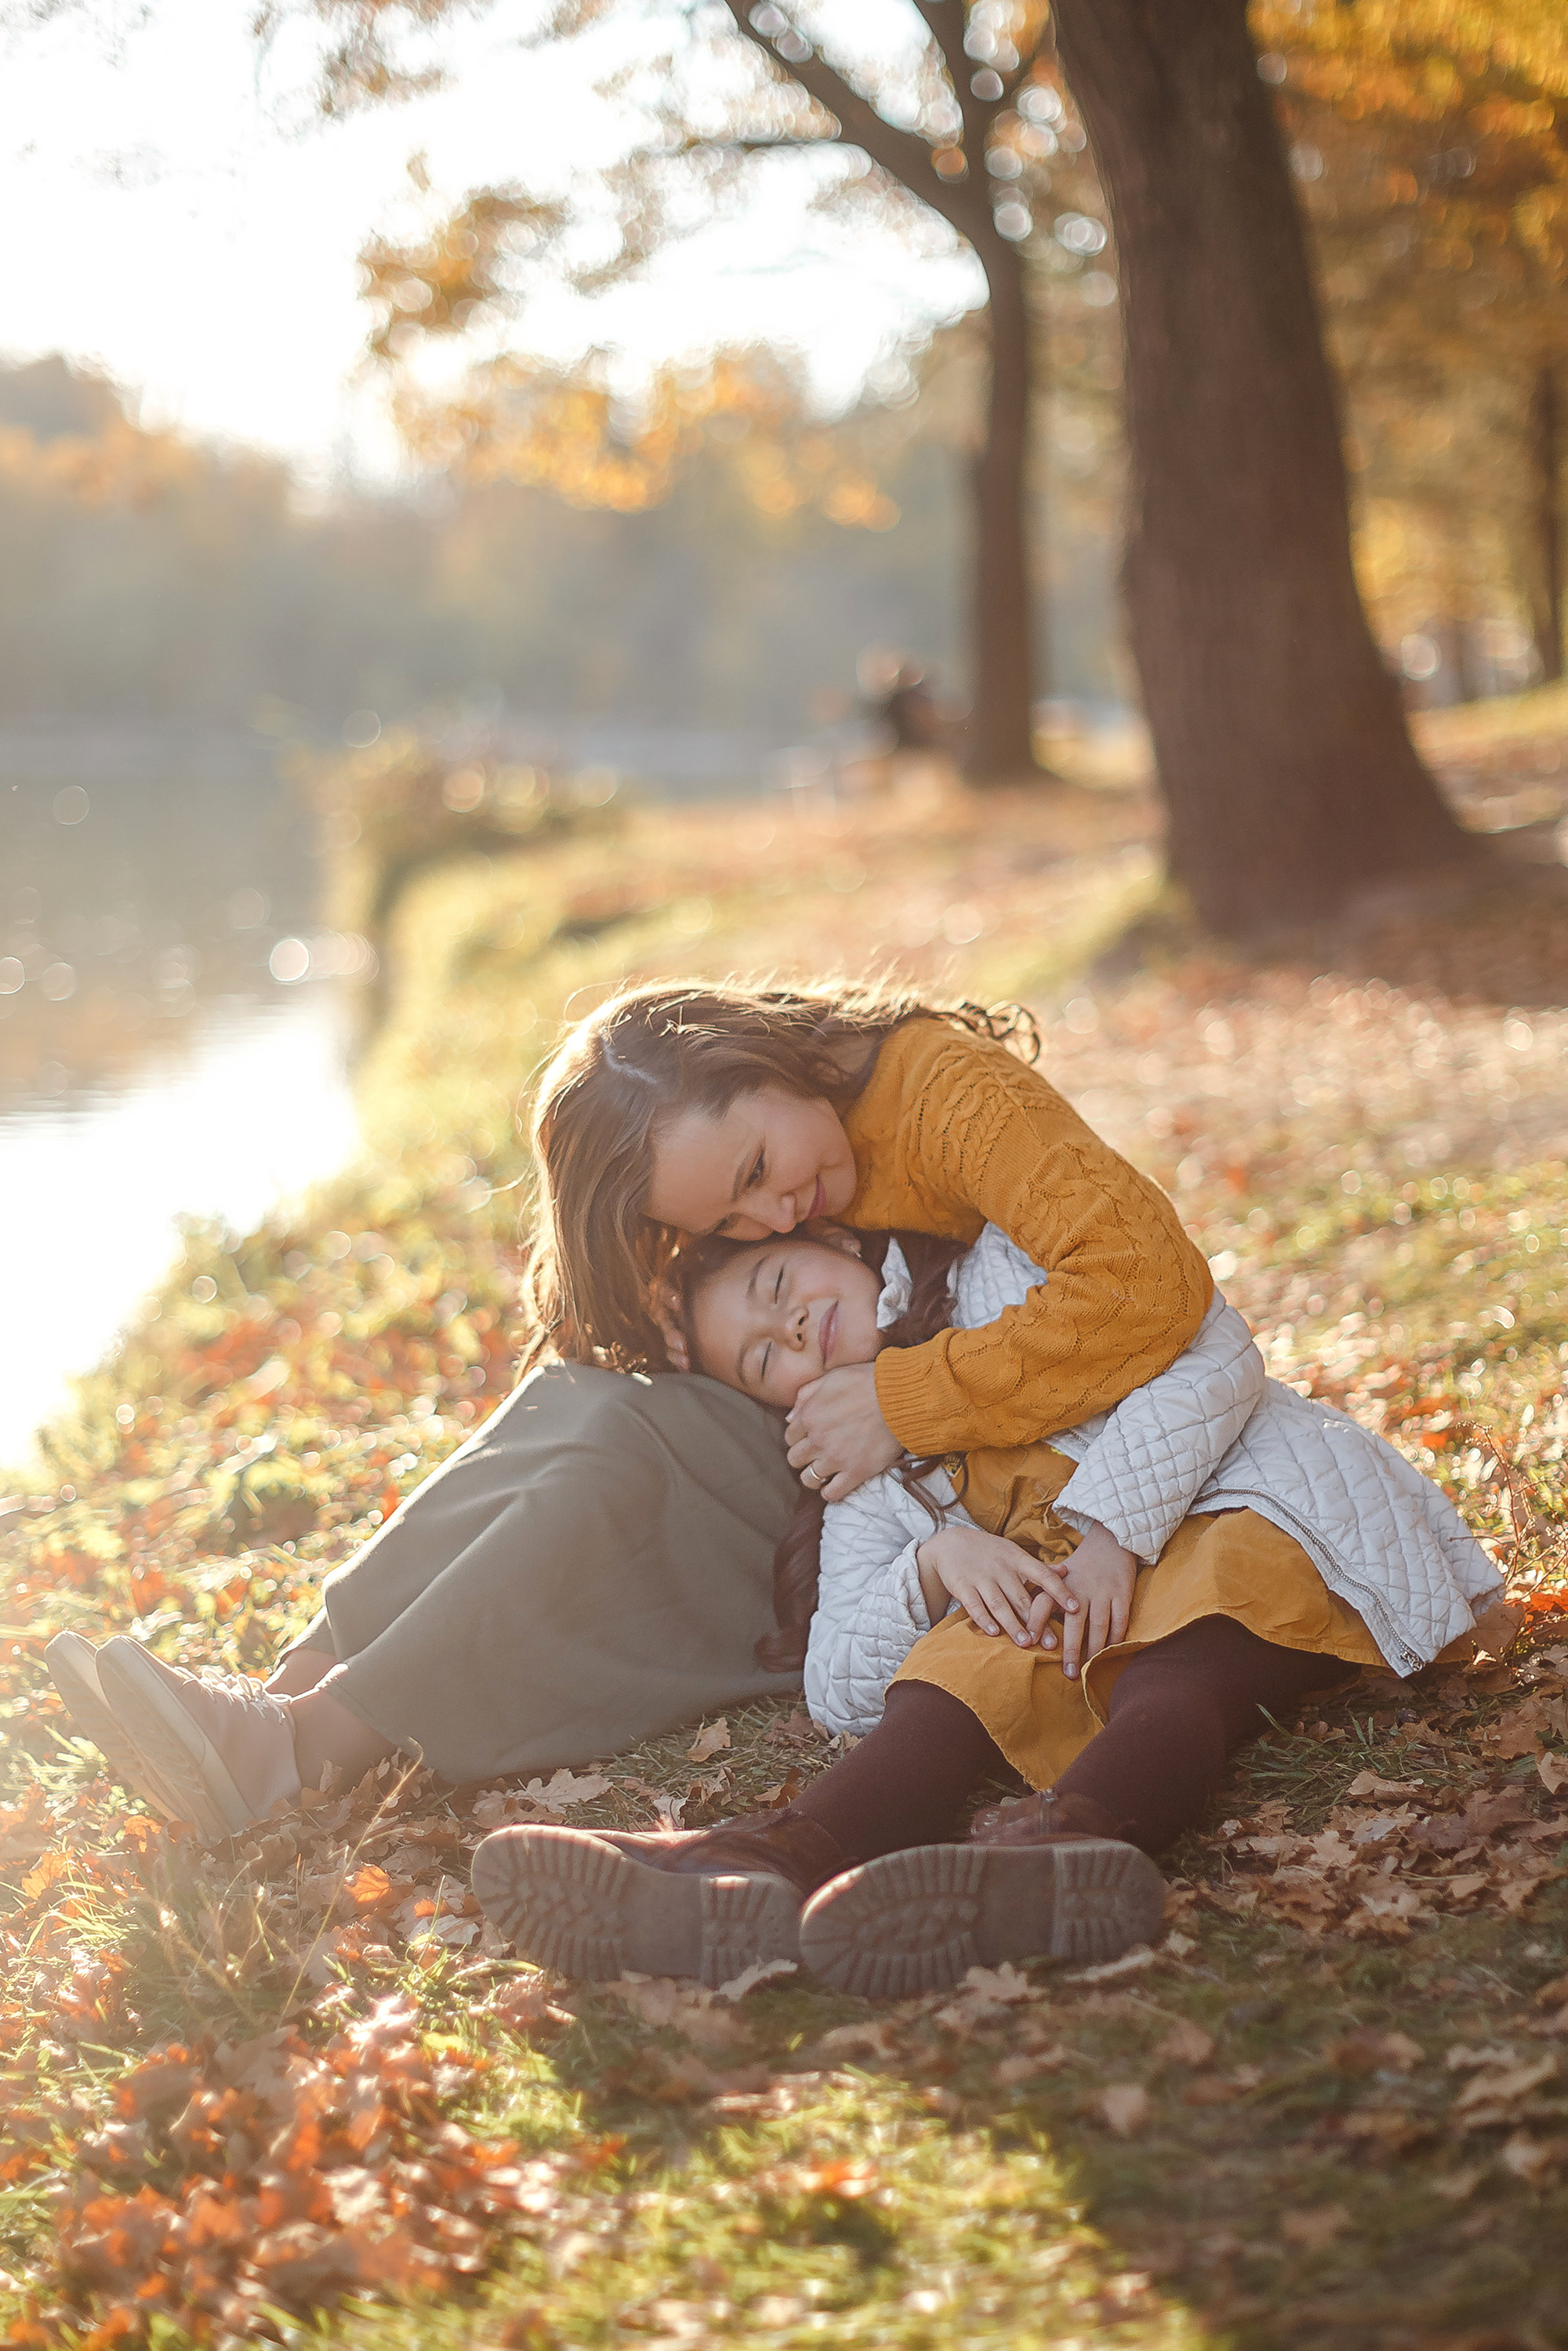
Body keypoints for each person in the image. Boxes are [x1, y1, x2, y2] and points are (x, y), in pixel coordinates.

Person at [473, 1216, 1499, 1994]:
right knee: (956, 1672)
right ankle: (774, 1859)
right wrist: (934, 1563)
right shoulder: (866, 1473)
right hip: (1082, 1605)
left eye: (778, 1284)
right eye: (766, 1359)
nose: (791, 1328)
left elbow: (1199, 1359)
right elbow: (837, 1684)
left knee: (1179, 1668)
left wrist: (1115, 1532)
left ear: (837, 1242)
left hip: (1249, 1511)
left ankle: (1069, 1844)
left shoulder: (990, 1278)